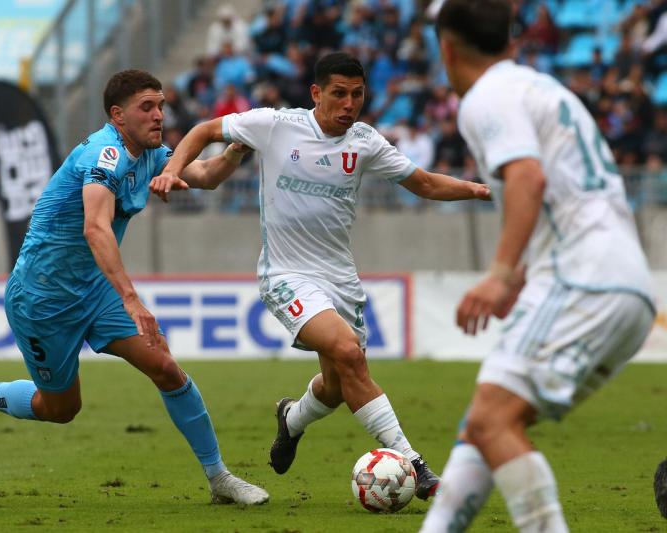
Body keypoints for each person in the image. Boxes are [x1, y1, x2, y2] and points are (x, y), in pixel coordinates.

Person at [150, 52, 491, 500]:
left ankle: (291, 419)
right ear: (316, 93)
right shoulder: (276, 125)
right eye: (338, 94)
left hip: (340, 280)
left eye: (357, 95)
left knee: (335, 387)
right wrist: (173, 170)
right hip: (286, 274)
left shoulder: (365, 141)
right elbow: (204, 130)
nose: (349, 104)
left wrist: (475, 188)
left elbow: (423, 183)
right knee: (350, 354)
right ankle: (414, 463)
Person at [0, 69, 268, 506]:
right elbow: (95, 230)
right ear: (118, 115)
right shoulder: (104, 155)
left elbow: (206, 176)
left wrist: (237, 149)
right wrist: (133, 299)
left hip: (94, 291)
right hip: (42, 299)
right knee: (61, 409)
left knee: (165, 367)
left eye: (161, 105)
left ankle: (220, 478)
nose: (159, 115)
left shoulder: (150, 153)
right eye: (147, 107)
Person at [420, 1, 656, 531]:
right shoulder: (542, 88)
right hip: (619, 279)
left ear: (447, 48)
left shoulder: (486, 96)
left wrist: (500, 272)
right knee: (483, 421)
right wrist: (522, 274)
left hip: (582, 278)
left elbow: (528, 178)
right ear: (511, 41)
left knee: (492, 419)